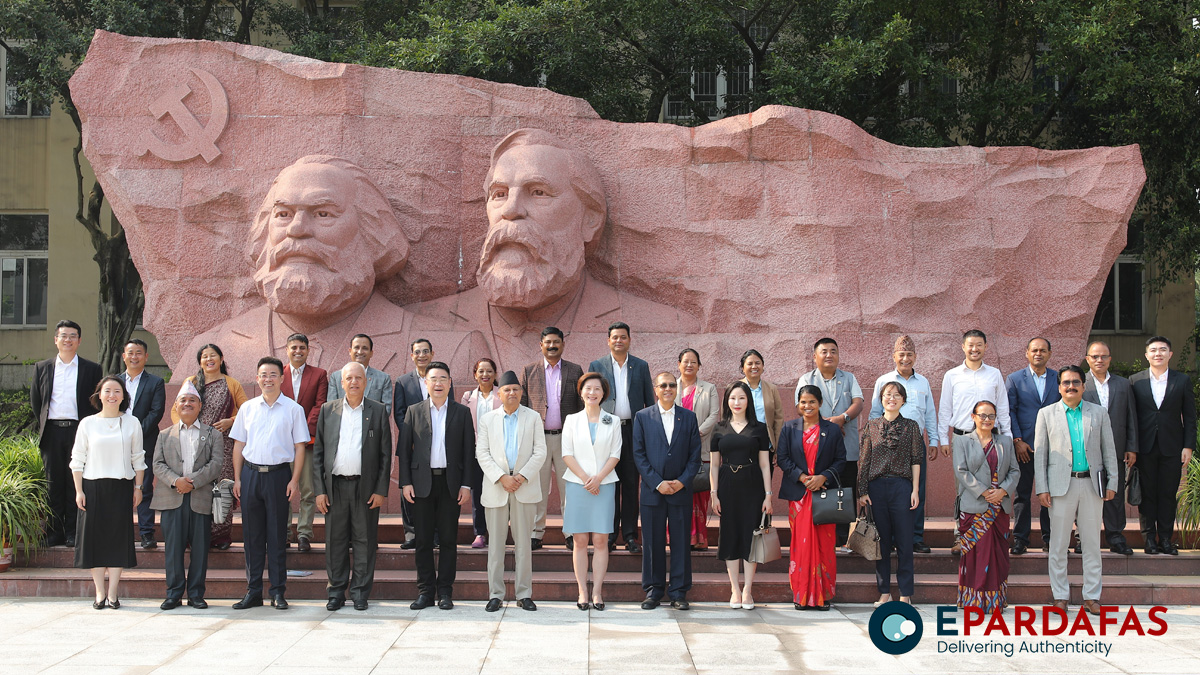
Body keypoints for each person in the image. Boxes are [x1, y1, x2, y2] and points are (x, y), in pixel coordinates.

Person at [403, 128, 699, 371]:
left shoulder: (666, 328)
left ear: (590, 219)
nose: (511, 210)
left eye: (538, 193)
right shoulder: (424, 323)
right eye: (499, 194)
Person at [179, 155, 460, 383]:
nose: (297, 230)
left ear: (371, 231)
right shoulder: (211, 348)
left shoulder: (453, 349)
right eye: (283, 214)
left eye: (323, 213)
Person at [1034, 365, 1118, 615]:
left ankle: (1092, 597)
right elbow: (1040, 455)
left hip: (1092, 486)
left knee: (1092, 544)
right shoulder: (1046, 414)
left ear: (1083, 386)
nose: (1071, 386)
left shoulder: (1099, 413)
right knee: (1058, 544)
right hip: (1061, 486)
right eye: (1066, 383)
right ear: (1059, 387)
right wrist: (1042, 488)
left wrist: (1112, 482)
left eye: (1076, 382)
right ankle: (1060, 596)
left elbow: (1109, 451)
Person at [229, 357, 311, 610]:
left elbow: (300, 448)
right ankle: (253, 591)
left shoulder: (293, 409)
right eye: (263, 374)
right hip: (251, 476)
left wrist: (294, 480)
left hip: (278, 477)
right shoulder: (248, 408)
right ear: (257, 378)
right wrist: (238, 478)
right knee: (252, 538)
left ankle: (277, 591)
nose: (268, 379)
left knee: (277, 536)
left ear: (282, 378)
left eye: (273, 374)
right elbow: (239, 445)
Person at [312, 362, 392, 611]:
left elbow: (385, 455)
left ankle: (359, 592)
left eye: (359, 378)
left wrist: (380, 490)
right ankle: (335, 591)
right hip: (334, 487)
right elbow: (318, 453)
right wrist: (319, 490)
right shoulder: (329, 410)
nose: (354, 382)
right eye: (349, 378)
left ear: (366, 382)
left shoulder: (377, 411)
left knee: (364, 541)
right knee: (335, 541)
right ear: (341, 382)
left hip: (365, 489)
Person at [398, 361, 475, 610]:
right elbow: (404, 452)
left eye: (443, 378)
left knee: (449, 540)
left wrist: (466, 485)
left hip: (450, 484)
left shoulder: (461, 413)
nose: (438, 383)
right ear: (426, 383)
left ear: (450, 383)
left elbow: (467, 451)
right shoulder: (414, 411)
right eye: (434, 379)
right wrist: (405, 482)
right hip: (421, 484)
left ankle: (445, 592)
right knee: (422, 540)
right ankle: (425, 591)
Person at [70, 376, 145, 609]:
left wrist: (138, 488)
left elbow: (138, 459)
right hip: (92, 488)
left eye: (117, 391)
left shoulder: (132, 422)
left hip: (121, 487)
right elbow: (77, 459)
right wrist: (78, 491)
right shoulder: (87, 423)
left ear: (123, 396)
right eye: (107, 391)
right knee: (95, 541)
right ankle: (99, 593)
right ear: (99, 394)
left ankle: (113, 593)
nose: (112, 395)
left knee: (117, 540)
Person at [476, 371, 547, 612]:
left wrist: (521, 476)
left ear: (521, 392)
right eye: (507, 389)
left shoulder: (534, 417)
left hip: (524, 486)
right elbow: (482, 453)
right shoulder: (487, 420)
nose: (512, 393)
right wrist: (502, 477)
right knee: (495, 545)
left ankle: (524, 593)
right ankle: (495, 594)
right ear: (499, 393)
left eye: (516, 389)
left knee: (523, 544)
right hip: (497, 487)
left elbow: (540, 452)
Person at [30, 319, 103, 548]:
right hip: (52, 432)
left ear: (79, 341)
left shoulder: (92, 369)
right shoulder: (42, 367)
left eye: (73, 336)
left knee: (76, 483)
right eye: (64, 336)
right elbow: (36, 401)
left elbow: (96, 402)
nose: (68, 340)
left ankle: (73, 531)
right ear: (56, 340)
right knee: (53, 483)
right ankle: (54, 532)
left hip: (78, 432)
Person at [152, 381, 224, 610]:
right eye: (183, 400)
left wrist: (192, 483)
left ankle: (195, 594)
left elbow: (216, 465)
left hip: (199, 498)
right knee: (173, 550)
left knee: (200, 551)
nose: (187, 404)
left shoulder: (213, 434)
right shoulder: (164, 435)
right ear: (176, 405)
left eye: (192, 400)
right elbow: (157, 464)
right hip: (171, 498)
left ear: (199, 406)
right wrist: (176, 481)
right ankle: (173, 594)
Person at [633, 371, 702, 611]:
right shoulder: (642, 417)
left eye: (672, 385)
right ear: (655, 389)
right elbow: (639, 455)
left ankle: (679, 592)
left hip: (681, 491)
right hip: (653, 491)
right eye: (663, 385)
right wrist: (657, 482)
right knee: (652, 541)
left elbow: (695, 457)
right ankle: (653, 590)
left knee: (681, 542)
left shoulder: (689, 418)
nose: (668, 389)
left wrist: (682, 482)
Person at [172, 343, 248, 550]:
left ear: (221, 359)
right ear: (200, 361)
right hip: (193, 444)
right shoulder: (191, 382)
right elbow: (175, 409)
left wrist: (230, 421)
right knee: (196, 486)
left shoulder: (231, 383)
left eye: (213, 355)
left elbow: (247, 410)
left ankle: (220, 537)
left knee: (221, 487)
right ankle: (193, 535)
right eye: (204, 356)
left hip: (222, 443)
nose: (209, 359)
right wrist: (185, 430)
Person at [869, 335, 939, 553]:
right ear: (894, 357)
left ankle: (915, 537)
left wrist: (934, 439)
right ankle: (888, 539)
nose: (905, 359)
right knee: (889, 492)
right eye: (901, 355)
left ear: (915, 357)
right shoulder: (884, 381)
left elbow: (929, 414)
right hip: (887, 446)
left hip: (915, 444)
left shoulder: (923, 382)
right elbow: (874, 413)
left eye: (909, 355)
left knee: (916, 491)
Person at [777, 385, 845, 611]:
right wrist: (803, 477)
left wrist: (822, 477)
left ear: (820, 404)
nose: (807, 406)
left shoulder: (832, 430)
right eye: (803, 402)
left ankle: (824, 595)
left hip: (823, 494)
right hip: (799, 495)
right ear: (798, 404)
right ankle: (801, 594)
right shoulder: (789, 428)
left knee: (825, 545)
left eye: (812, 402)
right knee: (800, 545)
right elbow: (783, 458)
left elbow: (841, 460)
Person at [589, 322, 655, 553]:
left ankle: (629, 535)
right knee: (608, 485)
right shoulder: (597, 366)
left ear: (629, 340)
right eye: (614, 337)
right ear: (608, 340)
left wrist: (648, 433)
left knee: (629, 484)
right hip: (607, 432)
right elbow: (591, 400)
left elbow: (650, 403)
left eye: (623, 337)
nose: (619, 341)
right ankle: (608, 535)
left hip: (633, 431)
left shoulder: (641, 366)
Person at [857, 382, 923, 607]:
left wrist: (915, 490)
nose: (891, 398)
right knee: (881, 543)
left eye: (896, 395)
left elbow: (916, 460)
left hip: (902, 488)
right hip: (876, 489)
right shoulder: (871, 426)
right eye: (887, 395)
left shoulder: (911, 427)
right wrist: (862, 491)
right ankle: (884, 591)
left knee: (905, 542)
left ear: (903, 400)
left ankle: (905, 593)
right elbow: (864, 460)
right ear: (881, 399)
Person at [1129, 336, 1196, 555]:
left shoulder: (1182, 380)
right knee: (1147, 494)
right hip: (1144, 447)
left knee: (1168, 494)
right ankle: (1149, 539)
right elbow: (1131, 417)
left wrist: (1188, 446)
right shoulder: (1135, 381)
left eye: (1163, 350)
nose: (1158, 354)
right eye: (1154, 350)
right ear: (1146, 355)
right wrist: (1131, 447)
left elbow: (1190, 416)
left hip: (1172, 447)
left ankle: (1166, 539)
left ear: (1170, 354)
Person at [561, 372, 622, 610]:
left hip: (604, 485)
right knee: (579, 539)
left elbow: (616, 453)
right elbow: (567, 453)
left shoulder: (613, 420)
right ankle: (582, 592)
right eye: (588, 388)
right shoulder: (572, 420)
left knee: (600, 540)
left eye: (597, 389)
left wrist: (598, 478)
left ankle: (597, 592)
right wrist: (587, 479)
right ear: (581, 391)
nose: (592, 393)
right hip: (578, 485)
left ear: (603, 393)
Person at [795, 338, 863, 546]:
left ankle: (843, 539)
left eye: (833, 351)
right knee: (821, 492)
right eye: (824, 351)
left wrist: (842, 419)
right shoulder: (806, 380)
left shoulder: (849, 378)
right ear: (815, 356)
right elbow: (802, 408)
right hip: (816, 448)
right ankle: (820, 539)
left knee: (845, 491)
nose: (829, 355)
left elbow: (858, 402)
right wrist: (828, 425)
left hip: (847, 446)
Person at [953, 400, 1020, 613]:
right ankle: (972, 600)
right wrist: (984, 492)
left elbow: (1015, 471)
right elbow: (961, 471)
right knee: (974, 556)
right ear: (973, 417)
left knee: (997, 555)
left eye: (991, 416)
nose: (987, 420)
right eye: (982, 415)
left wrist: (1002, 491)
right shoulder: (962, 441)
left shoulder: (1005, 442)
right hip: (974, 504)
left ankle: (995, 600)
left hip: (999, 507)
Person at [521, 327, 584, 551]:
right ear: (541, 345)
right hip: (539, 440)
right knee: (538, 488)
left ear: (563, 344)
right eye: (548, 342)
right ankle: (536, 533)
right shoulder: (529, 371)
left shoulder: (575, 370)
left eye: (556, 342)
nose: (552, 346)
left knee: (569, 488)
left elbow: (581, 405)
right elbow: (524, 406)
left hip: (567, 439)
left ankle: (570, 533)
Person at [710, 381, 772, 610]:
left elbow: (765, 464)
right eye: (733, 398)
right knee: (730, 535)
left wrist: (768, 495)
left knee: (750, 536)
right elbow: (714, 465)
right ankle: (734, 589)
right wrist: (714, 494)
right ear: (727, 400)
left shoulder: (759, 428)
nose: (737, 403)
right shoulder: (719, 428)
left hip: (753, 485)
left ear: (749, 401)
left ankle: (748, 590)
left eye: (742, 398)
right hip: (727, 485)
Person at [394, 338, 455, 549]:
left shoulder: (443, 381)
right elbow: (399, 413)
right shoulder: (402, 381)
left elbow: (451, 410)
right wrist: (413, 439)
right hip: (412, 445)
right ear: (412, 356)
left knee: (436, 492)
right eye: (417, 352)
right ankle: (411, 533)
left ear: (432, 354)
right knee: (409, 490)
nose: (422, 355)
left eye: (426, 351)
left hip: (438, 446)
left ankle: (436, 535)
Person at [1082, 340, 1140, 555]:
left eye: (1103, 356)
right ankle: (1083, 538)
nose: (1099, 360)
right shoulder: (1080, 383)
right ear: (1087, 359)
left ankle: (1116, 537)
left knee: (1114, 494)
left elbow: (1131, 417)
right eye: (1094, 356)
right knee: (1086, 494)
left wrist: (1132, 447)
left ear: (1110, 359)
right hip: (1086, 451)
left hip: (1116, 448)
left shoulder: (1123, 384)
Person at [1005, 337, 1060, 555]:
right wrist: (1017, 440)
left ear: (1049, 353)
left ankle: (1050, 538)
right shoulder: (1015, 379)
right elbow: (1009, 411)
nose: (1038, 354)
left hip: (1054, 446)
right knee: (1022, 494)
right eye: (1034, 350)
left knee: (1052, 494)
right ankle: (1020, 539)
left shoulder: (1059, 378)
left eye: (1043, 350)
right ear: (1026, 353)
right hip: (1024, 447)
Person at [281, 333, 328, 553]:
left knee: (308, 490)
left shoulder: (319, 375)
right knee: (284, 490)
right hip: (281, 442)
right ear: (287, 350)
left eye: (302, 348)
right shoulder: (278, 374)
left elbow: (320, 405)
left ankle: (304, 534)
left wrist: (302, 430)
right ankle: (284, 533)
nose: (298, 351)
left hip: (307, 440)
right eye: (294, 348)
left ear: (308, 351)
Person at [121, 338, 166, 551]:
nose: (134, 357)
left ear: (146, 357)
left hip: (145, 442)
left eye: (139, 353)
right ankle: (120, 532)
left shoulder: (155, 382)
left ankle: (147, 533)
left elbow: (156, 412)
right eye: (130, 353)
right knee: (119, 488)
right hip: (117, 444)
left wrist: (135, 434)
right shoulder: (114, 382)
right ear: (124, 356)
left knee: (145, 488)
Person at [937, 329, 1012, 454]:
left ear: (985, 346)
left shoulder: (994, 374)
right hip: (962, 437)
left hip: (991, 437)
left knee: (992, 473)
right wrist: (943, 439)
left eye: (979, 345)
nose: (974, 349)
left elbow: (1002, 407)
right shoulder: (951, 375)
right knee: (962, 474)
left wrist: (1007, 435)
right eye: (970, 345)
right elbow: (945, 409)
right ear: (963, 347)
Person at [677, 348, 719, 550]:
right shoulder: (670, 386)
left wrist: (695, 434)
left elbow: (714, 416)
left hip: (702, 448)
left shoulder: (709, 388)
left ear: (699, 366)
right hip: (676, 450)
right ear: (679, 364)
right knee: (680, 494)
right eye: (685, 361)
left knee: (700, 492)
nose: (689, 365)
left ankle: (698, 538)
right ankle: (680, 537)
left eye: (694, 362)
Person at [462, 357, 502, 548]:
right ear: (475, 374)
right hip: (476, 453)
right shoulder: (468, 396)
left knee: (498, 493)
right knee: (477, 493)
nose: (485, 375)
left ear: (495, 374)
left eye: (489, 371)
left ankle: (497, 532)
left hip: (499, 453)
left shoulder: (502, 395)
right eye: (481, 371)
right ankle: (480, 533)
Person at [328, 334, 393, 415]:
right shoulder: (336, 377)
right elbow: (332, 408)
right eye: (356, 347)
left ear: (371, 353)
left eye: (365, 348)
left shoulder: (383, 378)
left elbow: (386, 410)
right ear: (350, 351)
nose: (360, 352)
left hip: (371, 426)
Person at [740, 349, 785, 453]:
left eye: (757, 363)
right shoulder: (735, 388)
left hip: (766, 445)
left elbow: (778, 419)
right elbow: (727, 417)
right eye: (750, 364)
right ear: (743, 368)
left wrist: (777, 447)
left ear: (763, 366)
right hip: (741, 444)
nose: (754, 367)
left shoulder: (772, 389)